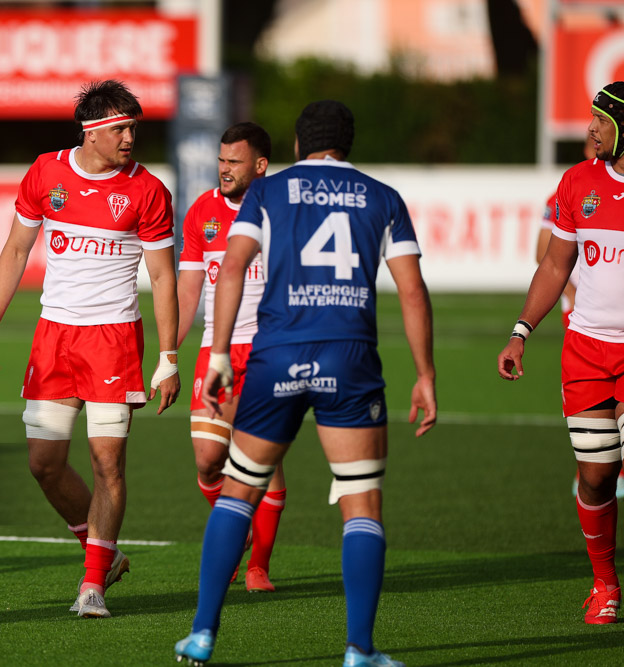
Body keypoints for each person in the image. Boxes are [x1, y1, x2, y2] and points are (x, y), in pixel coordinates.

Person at [174, 100, 436, 667]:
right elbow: (413, 291)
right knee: (362, 504)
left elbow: (235, 265)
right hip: (351, 359)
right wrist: (425, 375)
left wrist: (217, 352)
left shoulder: (269, 193)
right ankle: (359, 650)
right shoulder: (383, 197)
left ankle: (201, 633)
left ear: (296, 146)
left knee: (239, 490)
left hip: (276, 355)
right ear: (348, 144)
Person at [0, 79, 180, 619]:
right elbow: (17, 247)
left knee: (107, 460)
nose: (130, 137)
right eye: (120, 128)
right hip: (54, 338)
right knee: (44, 464)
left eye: (134, 127)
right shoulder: (46, 172)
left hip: (113, 339)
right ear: (91, 133)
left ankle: (92, 584)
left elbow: (162, 278)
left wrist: (169, 357)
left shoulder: (148, 191)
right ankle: (102, 549)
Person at [499, 81, 624, 625]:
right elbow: (555, 266)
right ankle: (605, 584)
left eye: (601, 119)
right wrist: (521, 330)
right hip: (587, 352)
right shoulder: (577, 183)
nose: (591, 128)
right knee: (596, 476)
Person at [177, 122, 286, 592]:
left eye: (233, 162)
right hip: (216, 349)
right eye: (220, 161)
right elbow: (187, 291)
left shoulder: (283, 210)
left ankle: (258, 565)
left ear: (259, 165)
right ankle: (239, 527)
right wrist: (166, 355)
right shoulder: (202, 210)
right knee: (208, 459)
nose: (224, 170)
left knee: (260, 460)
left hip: (269, 352)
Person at [535, 142, 624, 498]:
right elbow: (545, 254)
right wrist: (570, 293)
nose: (592, 140)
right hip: (584, 318)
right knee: (591, 413)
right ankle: (590, 469)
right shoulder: (566, 189)